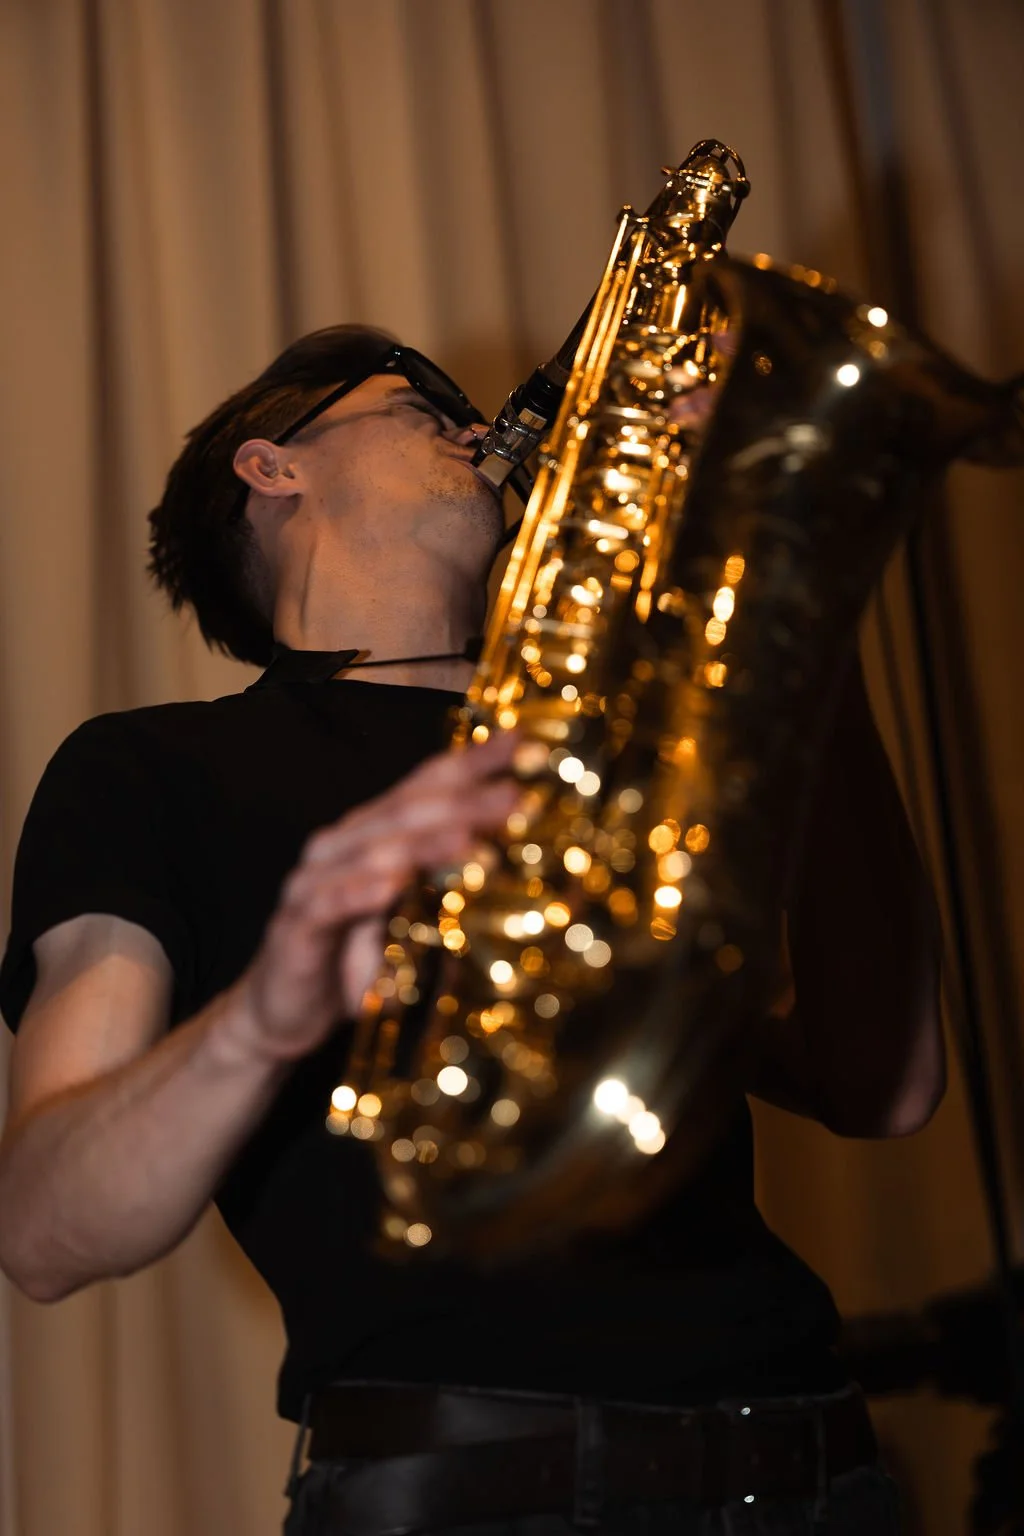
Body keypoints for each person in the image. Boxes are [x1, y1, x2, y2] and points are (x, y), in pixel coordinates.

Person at [0, 324, 943, 1535]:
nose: (477, 424)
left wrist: (797, 615)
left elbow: (887, 1084)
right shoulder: (155, 767)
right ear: (270, 464)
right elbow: (39, 1229)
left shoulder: (621, 751)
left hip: (818, 1466)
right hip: (473, 1489)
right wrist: (262, 1017)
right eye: (419, 405)